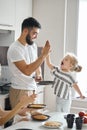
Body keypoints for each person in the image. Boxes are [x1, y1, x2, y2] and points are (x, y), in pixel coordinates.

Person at [7, 17, 50, 109]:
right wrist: (43, 56)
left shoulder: (32, 45)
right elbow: (27, 71)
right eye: (34, 33)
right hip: (20, 90)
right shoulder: (15, 48)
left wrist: (39, 74)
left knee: (34, 120)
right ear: (25, 31)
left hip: (32, 88)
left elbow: (35, 63)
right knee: (21, 121)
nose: (36, 37)